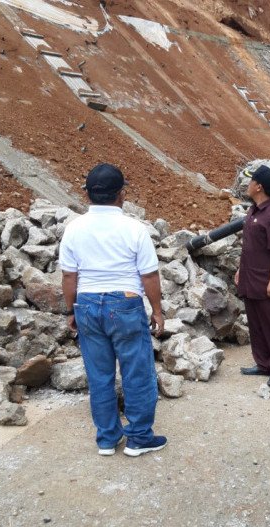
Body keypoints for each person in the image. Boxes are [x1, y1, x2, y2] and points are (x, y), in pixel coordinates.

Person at [59, 163, 167, 457]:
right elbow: (149, 276)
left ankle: (107, 438)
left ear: (88, 195)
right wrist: (157, 310)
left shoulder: (73, 229)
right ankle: (139, 437)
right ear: (121, 194)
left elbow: (70, 277)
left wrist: (70, 311)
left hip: (88, 305)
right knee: (137, 373)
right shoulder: (134, 229)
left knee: (99, 376)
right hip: (126, 303)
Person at [236, 165, 270, 388]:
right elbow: (249, 246)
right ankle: (263, 363)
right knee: (257, 324)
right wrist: (241, 270)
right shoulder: (254, 211)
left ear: (258, 186)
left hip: (268, 281)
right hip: (251, 279)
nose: (247, 184)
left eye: (250, 181)